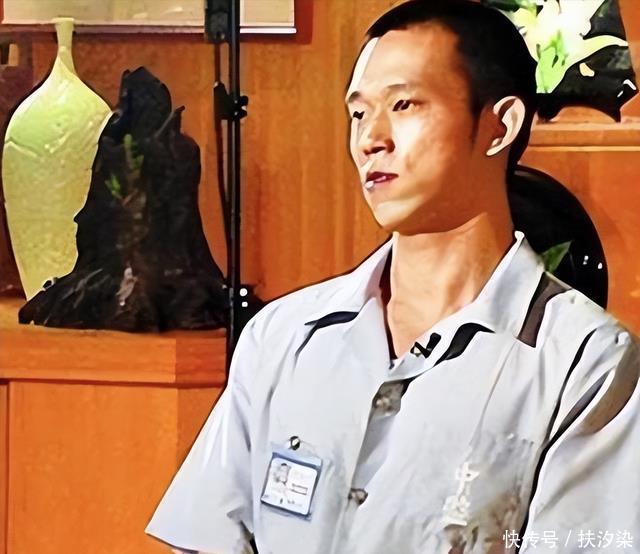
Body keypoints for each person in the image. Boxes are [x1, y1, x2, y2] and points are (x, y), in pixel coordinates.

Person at [146, 1, 640, 552]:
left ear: (498, 125)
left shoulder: (585, 362)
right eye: (359, 114)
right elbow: (207, 538)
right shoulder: (282, 337)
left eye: (404, 104)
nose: (370, 139)